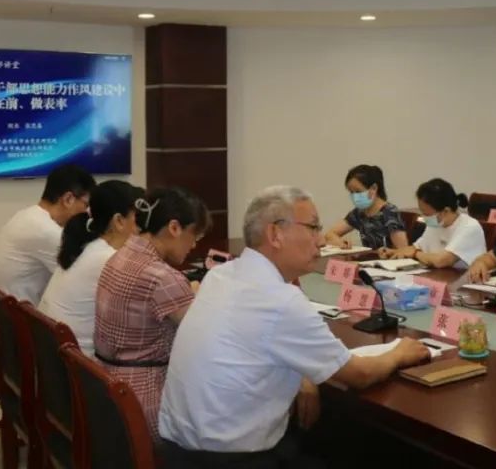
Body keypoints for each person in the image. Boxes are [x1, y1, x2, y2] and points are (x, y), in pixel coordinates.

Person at [158, 186, 430, 467]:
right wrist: (399, 353)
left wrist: (303, 375)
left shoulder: (221, 275)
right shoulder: (280, 300)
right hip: (232, 460)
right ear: (275, 234)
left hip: (179, 452)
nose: (321, 240)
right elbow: (359, 374)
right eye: (313, 228)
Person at [94, 186, 209, 439]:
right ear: (174, 227)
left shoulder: (118, 257)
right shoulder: (162, 277)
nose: (193, 245)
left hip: (108, 392)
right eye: (195, 236)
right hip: (146, 402)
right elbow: (206, 341)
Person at [38, 180, 145, 356]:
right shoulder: (109, 259)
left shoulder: (88, 246)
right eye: (137, 218)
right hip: (78, 360)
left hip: (54, 353)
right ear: (119, 221)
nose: (140, 227)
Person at [0, 164, 96, 304]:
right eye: (86, 205)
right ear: (68, 199)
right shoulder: (45, 231)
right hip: (14, 314)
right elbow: (83, 280)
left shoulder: (29, 216)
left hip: (2, 309)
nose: (87, 213)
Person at [379, 178, 486, 269]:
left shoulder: (469, 227)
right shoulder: (435, 224)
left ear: (446, 211)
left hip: (463, 283)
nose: (424, 217)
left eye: (427, 214)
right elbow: (416, 248)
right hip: (438, 278)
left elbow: (442, 261)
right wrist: (394, 252)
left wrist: (415, 253)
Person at [322, 164, 408, 250]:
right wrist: (340, 242)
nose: (355, 196)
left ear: (374, 188)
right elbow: (330, 234)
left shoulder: (390, 212)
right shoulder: (358, 213)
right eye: (351, 192)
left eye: (358, 191)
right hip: (368, 257)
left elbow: (403, 250)